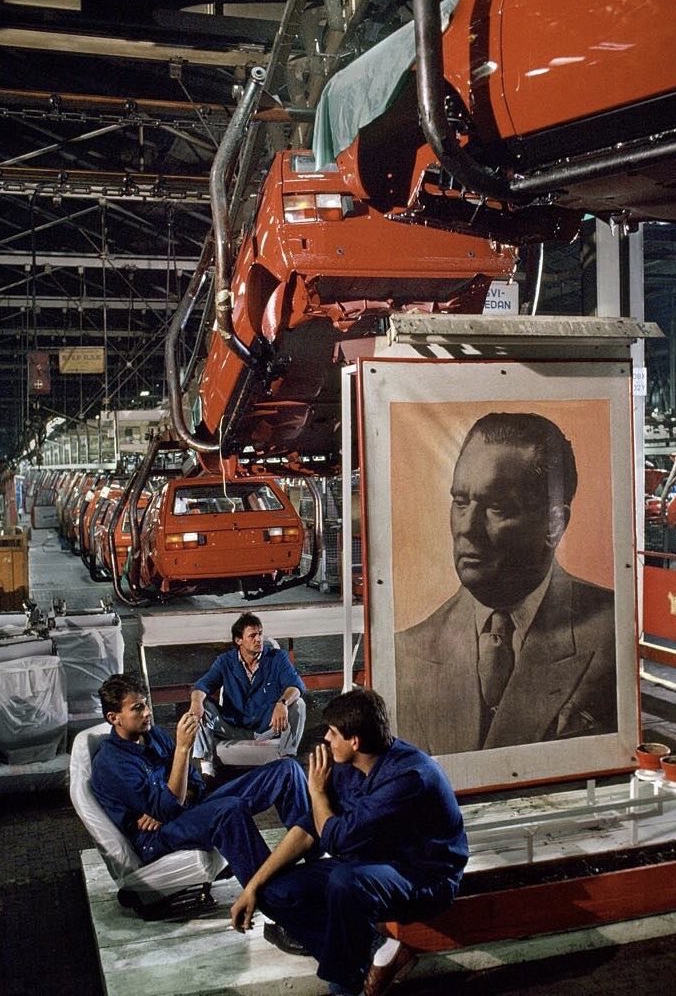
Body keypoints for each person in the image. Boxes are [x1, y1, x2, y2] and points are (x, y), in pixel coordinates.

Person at [395, 411, 617, 755]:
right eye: (460, 501)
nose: (466, 527)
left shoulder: (612, 631)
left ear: (554, 524)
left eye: (496, 507)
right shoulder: (407, 652)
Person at [229, 689, 469, 996]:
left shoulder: (410, 777)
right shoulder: (347, 763)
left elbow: (337, 840)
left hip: (425, 878)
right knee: (274, 892)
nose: (326, 739)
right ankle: (379, 949)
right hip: (372, 865)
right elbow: (307, 830)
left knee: (345, 882)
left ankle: (344, 988)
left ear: (354, 741)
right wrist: (252, 887)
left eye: (332, 732)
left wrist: (316, 792)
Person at [91, 673, 310, 871]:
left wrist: (173, 800)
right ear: (113, 718)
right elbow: (167, 809)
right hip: (156, 837)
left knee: (286, 770)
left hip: (188, 809)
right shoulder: (112, 763)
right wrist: (183, 749)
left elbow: (195, 782)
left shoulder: (154, 735)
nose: (148, 712)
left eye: (146, 704)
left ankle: (314, 852)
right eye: (137, 708)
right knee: (228, 808)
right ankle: (272, 888)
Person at [188, 612, 306, 776]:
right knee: (203, 704)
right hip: (233, 726)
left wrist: (282, 703)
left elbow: (296, 686)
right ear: (239, 641)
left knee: (298, 704)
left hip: (268, 726)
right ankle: (207, 769)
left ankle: (286, 759)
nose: (258, 639)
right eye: (252, 636)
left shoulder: (277, 658)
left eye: (260, 634)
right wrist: (196, 703)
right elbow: (202, 685)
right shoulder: (225, 661)